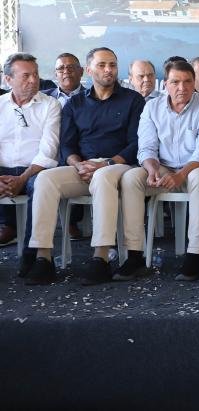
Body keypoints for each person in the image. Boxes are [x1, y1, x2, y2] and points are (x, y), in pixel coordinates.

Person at [25, 47, 145, 285]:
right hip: (83, 166)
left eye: (112, 65)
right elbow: (67, 146)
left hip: (119, 165)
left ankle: (100, 258)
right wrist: (77, 164)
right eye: (102, 65)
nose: (108, 70)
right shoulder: (75, 104)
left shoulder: (133, 100)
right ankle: (43, 259)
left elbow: (136, 144)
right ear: (89, 70)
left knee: (103, 177)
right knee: (45, 179)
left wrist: (108, 163)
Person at [119, 60, 199, 281]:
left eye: (187, 82)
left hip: (194, 168)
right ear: (165, 84)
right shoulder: (151, 107)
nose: (181, 88)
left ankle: (195, 255)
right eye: (175, 82)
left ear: (194, 83)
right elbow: (146, 147)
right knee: (131, 178)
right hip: (163, 168)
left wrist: (181, 174)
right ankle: (134, 255)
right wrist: (152, 168)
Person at [0, 54, 61, 273]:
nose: (33, 80)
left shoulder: (50, 105)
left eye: (35, 74)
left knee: (42, 185)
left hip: (35, 170)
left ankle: (33, 255)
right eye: (26, 76)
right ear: (8, 80)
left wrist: (22, 179)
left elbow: (48, 151)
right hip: (3, 171)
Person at [42, 52, 87, 240]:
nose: (66, 71)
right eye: (61, 68)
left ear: (81, 71)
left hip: (78, 151)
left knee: (79, 166)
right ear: (55, 74)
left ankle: (71, 221)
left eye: (71, 67)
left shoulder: (92, 97)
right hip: (48, 152)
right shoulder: (44, 99)